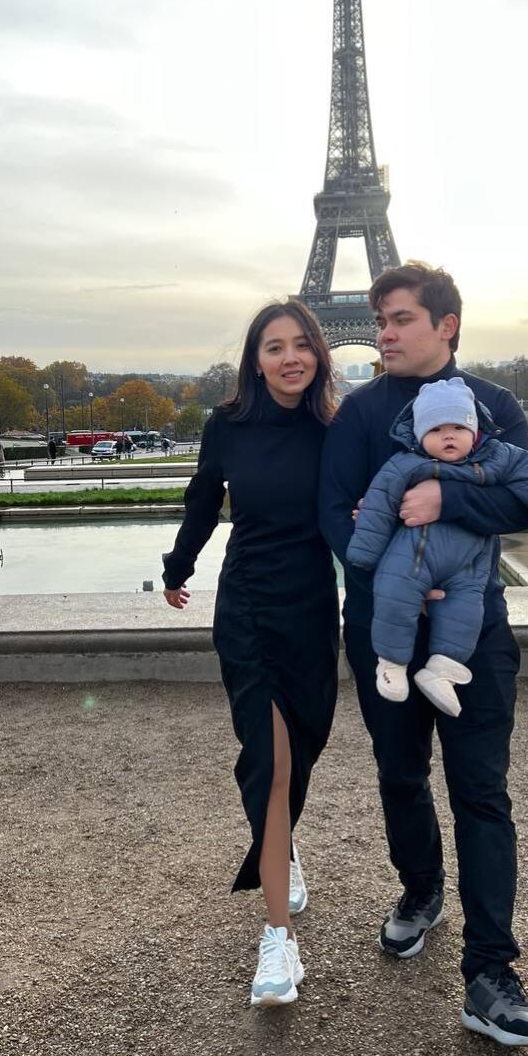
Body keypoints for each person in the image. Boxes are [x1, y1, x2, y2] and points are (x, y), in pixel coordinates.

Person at [319, 261, 528, 1049]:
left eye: (399, 319)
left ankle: (491, 973)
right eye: (379, 320)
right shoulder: (358, 413)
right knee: (400, 776)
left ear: (446, 324)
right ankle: (422, 889)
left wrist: (446, 498)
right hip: (389, 627)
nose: (382, 332)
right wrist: (401, 576)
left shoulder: (496, 406)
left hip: (473, 630)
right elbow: (338, 516)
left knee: (482, 795)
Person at [162, 300, 339, 1008]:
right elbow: (204, 502)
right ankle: (278, 940)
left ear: (320, 353)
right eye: (274, 346)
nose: (290, 356)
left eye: (302, 344)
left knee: (302, 749)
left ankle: (283, 847)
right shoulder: (227, 425)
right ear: (255, 358)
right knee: (271, 763)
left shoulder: (336, 428)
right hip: (246, 609)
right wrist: (177, 566)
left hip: (310, 613)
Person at [347, 377, 528, 716]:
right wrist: (364, 554)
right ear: (420, 435)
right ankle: (392, 665)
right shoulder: (406, 463)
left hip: (467, 569)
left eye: (457, 427)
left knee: (465, 614)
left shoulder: (499, 456)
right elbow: (379, 504)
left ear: (475, 429)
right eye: (437, 429)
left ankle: (441, 670)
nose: (448, 435)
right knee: (395, 597)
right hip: (412, 559)